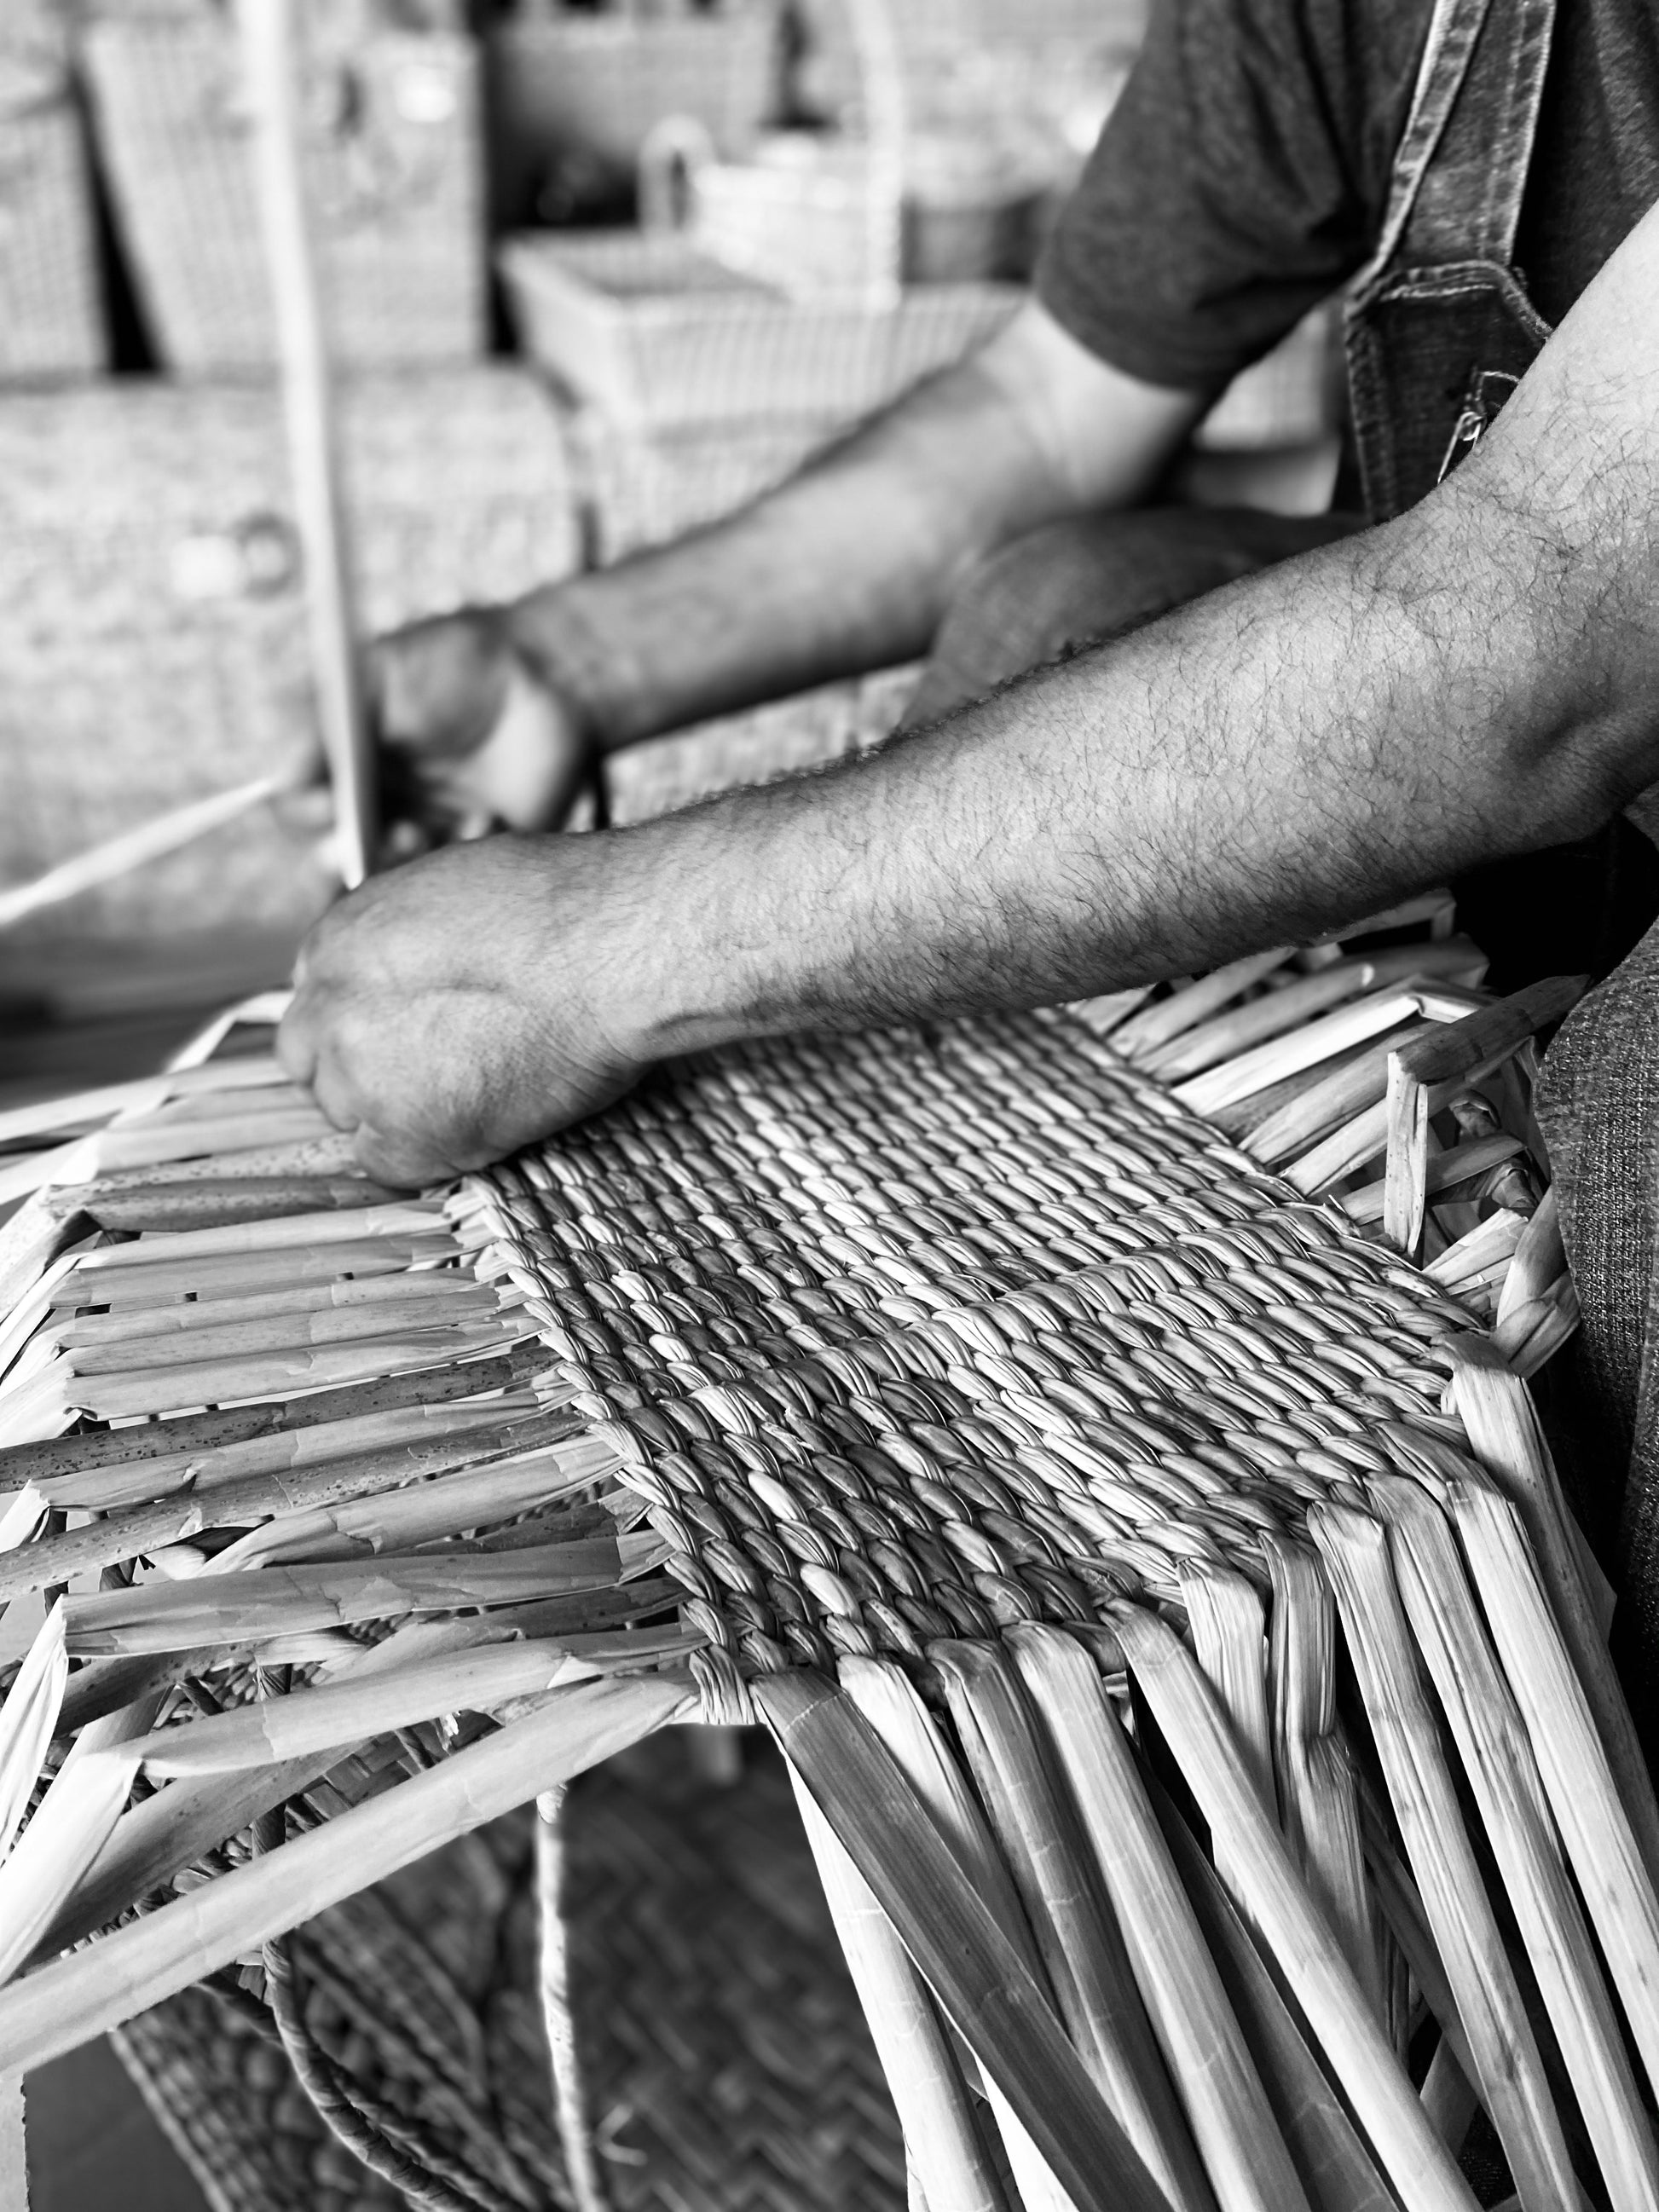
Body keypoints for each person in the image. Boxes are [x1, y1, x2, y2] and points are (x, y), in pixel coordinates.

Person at [280, 0, 1659, 1710]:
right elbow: (1046, 406)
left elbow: (1542, 631)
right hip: (1551, 636)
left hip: (1570, 639)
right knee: (1062, 602)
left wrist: (597, 950)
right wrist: (556, 661)